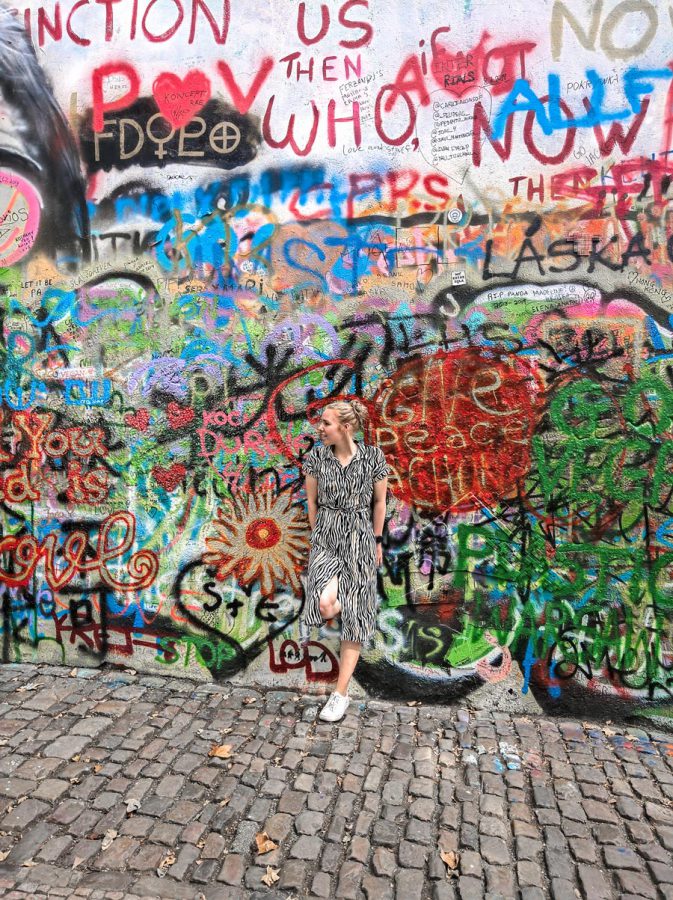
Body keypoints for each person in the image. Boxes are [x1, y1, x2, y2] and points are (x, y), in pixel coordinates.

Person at [301, 399, 389, 722]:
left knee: (354, 616)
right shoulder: (317, 458)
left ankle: (340, 695)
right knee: (326, 605)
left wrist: (377, 540)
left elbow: (380, 502)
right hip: (327, 535)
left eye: (326, 423)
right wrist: (319, 535)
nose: (320, 428)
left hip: (361, 538)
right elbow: (311, 501)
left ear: (346, 428)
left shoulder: (372, 458)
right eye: (321, 423)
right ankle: (344, 599)